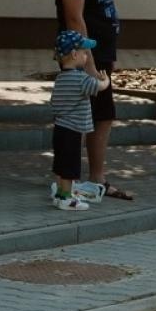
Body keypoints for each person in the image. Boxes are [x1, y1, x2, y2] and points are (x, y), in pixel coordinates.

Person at [55, 0, 133, 201]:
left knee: (102, 115)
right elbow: (74, 17)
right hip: (83, 57)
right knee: (84, 117)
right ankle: (73, 181)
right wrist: (88, 65)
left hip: (99, 54)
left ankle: (93, 179)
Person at [50, 30, 109, 211]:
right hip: (73, 130)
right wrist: (105, 80)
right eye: (84, 52)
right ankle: (67, 199)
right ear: (75, 54)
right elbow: (98, 87)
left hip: (59, 128)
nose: (86, 56)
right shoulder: (81, 79)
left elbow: (53, 103)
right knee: (70, 166)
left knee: (61, 164)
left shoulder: (60, 79)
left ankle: (60, 194)